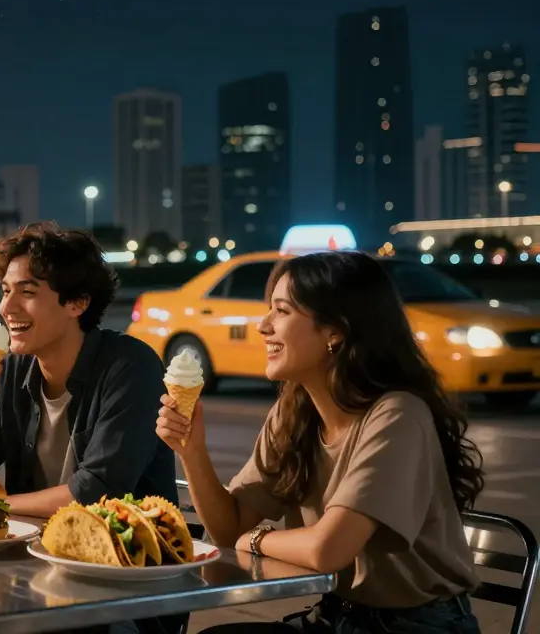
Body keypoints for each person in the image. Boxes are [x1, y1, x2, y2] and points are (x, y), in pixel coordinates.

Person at [158, 251, 484, 633]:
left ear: (335, 331)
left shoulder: (397, 416)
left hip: (419, 625)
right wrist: (192, 450)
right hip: (338, 615)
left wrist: (260, 537)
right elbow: (228, 531)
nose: (263, 325)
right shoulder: (294, 412)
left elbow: (328, 550)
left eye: (282, 310)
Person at [0, 222, 184, 634]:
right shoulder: (14, 369)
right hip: (32, 581)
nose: (7, 308)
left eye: (28, 292)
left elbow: (97, 490)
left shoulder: (131, 367)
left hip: (120, 596)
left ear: (77, 303)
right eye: (5, 290)